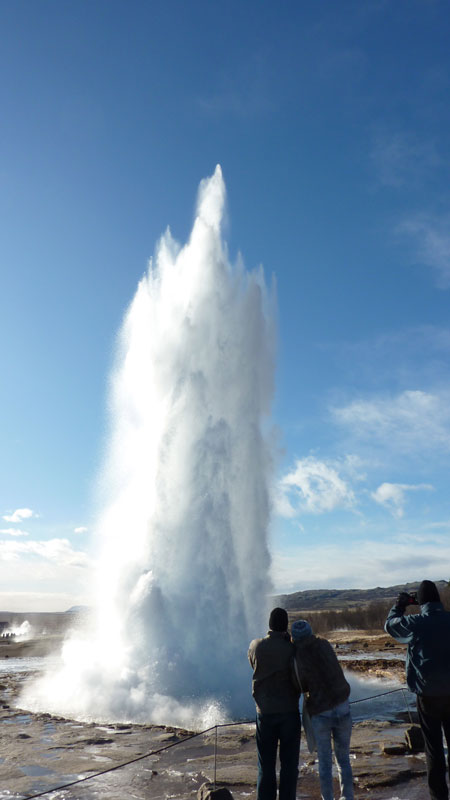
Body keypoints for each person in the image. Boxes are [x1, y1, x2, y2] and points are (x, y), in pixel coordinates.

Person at [385, 580, 450, 800]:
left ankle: (438, 797)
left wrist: (400, 605)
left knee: (433, 749)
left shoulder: (417, 623)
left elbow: (391, 625)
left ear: (420, 602)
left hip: (428, 695)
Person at [291, 619, 354, 800]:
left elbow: (300, 686)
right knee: (344, 760)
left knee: (325, 763)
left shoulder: (298, 657)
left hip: (320, 712)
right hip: (342, 706)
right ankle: (348, 797)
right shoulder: (324, 644)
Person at [248, 607, 301, 800]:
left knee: (266, 766)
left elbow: (252, 663)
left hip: (265, 713)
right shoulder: (292, 648)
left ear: (269, 624)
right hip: (289, 713)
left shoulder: (256, 646)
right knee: (289, 767)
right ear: (285, 625)